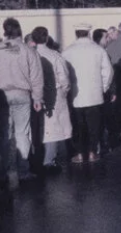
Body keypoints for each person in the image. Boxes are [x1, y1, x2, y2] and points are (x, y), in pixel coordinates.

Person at [0, 18, 44, 183]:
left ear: (4, 31)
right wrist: (38, 97)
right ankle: (23, 171)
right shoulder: (27, 49)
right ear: (19, 30)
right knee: (23, 133)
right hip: (21, 93)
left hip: (0, 95)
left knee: (4, 134)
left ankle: (2, 171)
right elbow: (36, 75)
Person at [62, 23, 113, 164]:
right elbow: (108, 71)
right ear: (89, 33)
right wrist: (103, 87)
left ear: (76, 33)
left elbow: (63, 72)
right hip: (95, 94)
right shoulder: (98, 50)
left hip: (75, 95)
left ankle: (79, 153)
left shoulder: (67, 51)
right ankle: (92, 152)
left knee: (77, 125)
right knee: (94, 124)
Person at [30, 27, 72, 174]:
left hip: (34, 94)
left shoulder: (31, 54)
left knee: (36, 128)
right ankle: (49, 160)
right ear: (46, 38)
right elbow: (64, 77)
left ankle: (35, 159)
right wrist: (65, 91)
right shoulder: (54, 55)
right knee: (53, 128)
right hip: (54, 92)